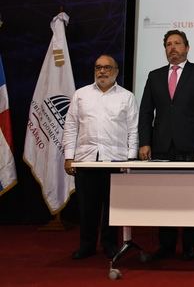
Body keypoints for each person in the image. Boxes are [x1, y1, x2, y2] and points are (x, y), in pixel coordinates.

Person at [138, 29, 194, 261]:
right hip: (162, 147)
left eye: (177, 43)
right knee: (165, 198)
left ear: (187, 47)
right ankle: (167, 245)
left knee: (191, 198)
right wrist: (144, 142)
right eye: (168, 44)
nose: (172, 48)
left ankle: (190, 246)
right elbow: (145, 112)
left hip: (193, 147)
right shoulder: (154, 76)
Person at [63, 55, 138, 260]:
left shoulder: (127, 97)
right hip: (85, 159)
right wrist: (69, 156)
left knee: (111, 206)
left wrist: (130, 160)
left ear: (116, 71)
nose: (102, 71)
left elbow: (133, 130)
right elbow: (70, 128)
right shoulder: (81, 95)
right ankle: (86, 245)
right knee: (87, 207)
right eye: (98, 67)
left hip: (116, 159)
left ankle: (109, 244)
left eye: (107, 67)